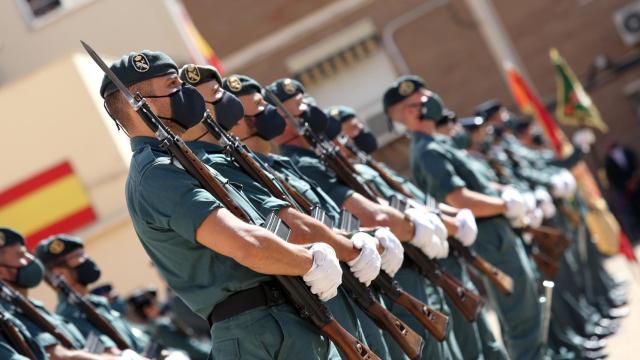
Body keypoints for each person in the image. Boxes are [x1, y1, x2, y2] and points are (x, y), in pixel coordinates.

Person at [100, 50, 343, 359]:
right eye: (173, 85)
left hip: (283, 316)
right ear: (141, 104)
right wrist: (311, 261)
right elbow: (246, 244)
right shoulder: (157, 174)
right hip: (260, 332)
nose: (186, 93)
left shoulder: (179, 161)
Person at [177, 67, 383, 352]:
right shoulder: (214, 167)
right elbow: (286, 227)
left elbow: (320, 216)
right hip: (317, 286)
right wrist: (352, 248)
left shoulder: (265, 163)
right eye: (259, 110)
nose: (269, 115)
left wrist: (360, 236)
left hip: (341, 275)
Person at [264, 77, 463, 360]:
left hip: (382, 263)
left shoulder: (321, 159)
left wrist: (425, 217)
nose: (309, 112)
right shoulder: (300, 164)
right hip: (365, 273)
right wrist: (372, 235)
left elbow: (385, 201)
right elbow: (352, 216)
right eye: (299, 109)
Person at [326, 105, 509, 360]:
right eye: (349, 131)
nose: (358, 134)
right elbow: (381, 213)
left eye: (358, 128)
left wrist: (449, 216)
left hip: (431, 257)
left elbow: (412, 199)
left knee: (476, 342)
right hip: (406, 268)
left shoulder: (369, 166)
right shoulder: (342, 177)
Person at [384, 76, 544, 360]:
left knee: (530, 307)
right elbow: (459, 199)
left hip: (498, 233)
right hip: (489, 241)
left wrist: (507, 194)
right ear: (410, 112)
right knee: (522, 319)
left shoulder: (439, 144)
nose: (431, 100)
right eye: (421, 100)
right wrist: (505, 205)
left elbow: (478, 184)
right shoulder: (429, 151)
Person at [35, 234, 149, 355]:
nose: (87, 259)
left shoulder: (98, 302)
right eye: (78, 256)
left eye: (84, 253)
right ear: (59, 272)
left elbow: (139, 345)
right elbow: (106, 353)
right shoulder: (69, 315)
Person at [127, 287, 209, 360]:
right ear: (147, 310)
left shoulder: (146, 329)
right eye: (153, 301)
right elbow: (190, 348)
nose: (158, 302)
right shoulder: (160, 327)